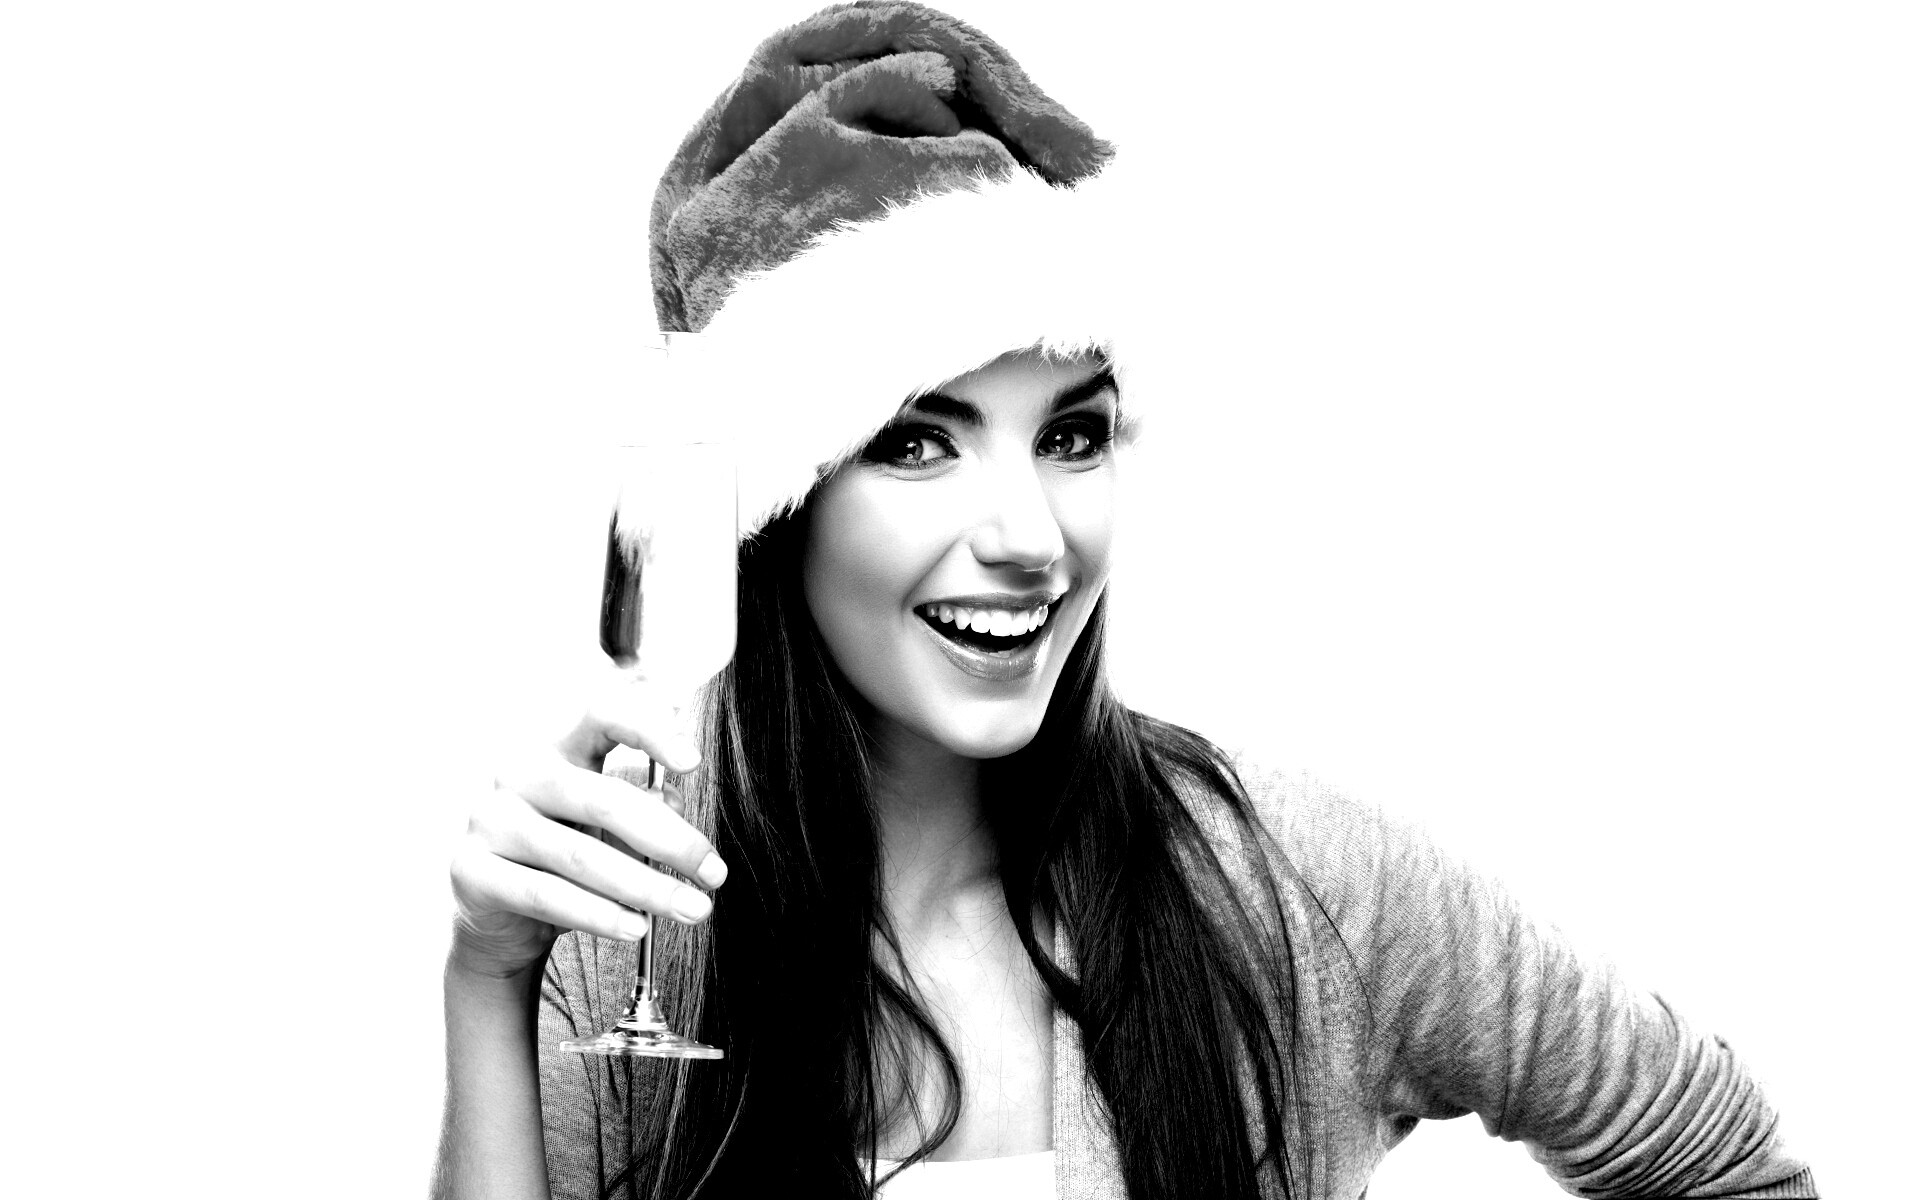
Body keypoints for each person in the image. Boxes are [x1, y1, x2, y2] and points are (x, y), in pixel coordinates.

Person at [433, 4, 1817, 1198]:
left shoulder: (1293, 884)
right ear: (778, 505)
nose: (1031, 537)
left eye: (1073, 435)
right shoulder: (636, 936)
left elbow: (1724, 1156)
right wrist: (488, 982)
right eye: (918, 443)